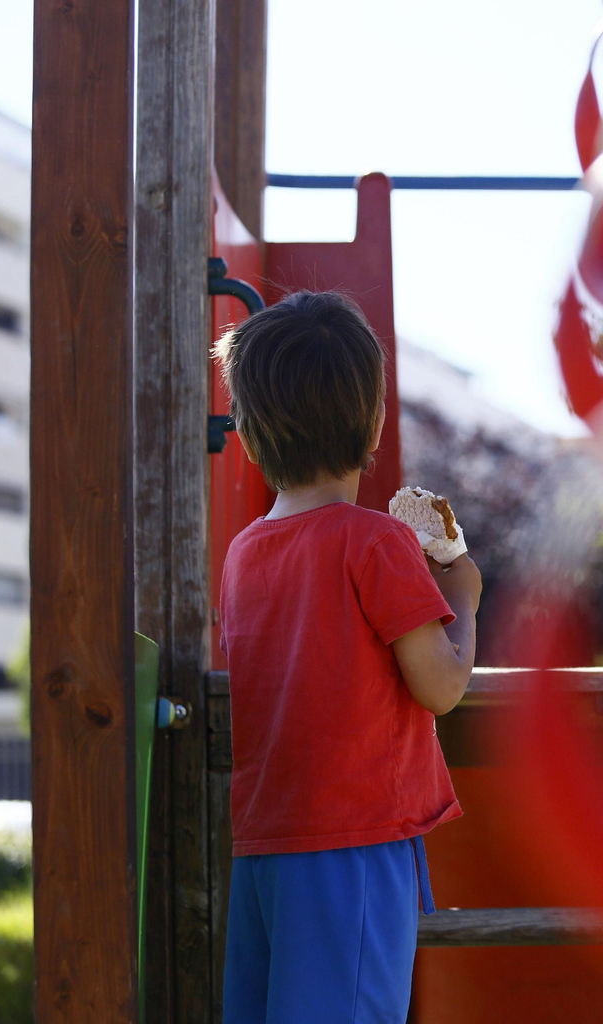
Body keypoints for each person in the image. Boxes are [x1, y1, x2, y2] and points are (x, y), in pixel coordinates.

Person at [213, 291, 482, 1023]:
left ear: (246, 430)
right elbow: (441, 686)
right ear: (372, 424)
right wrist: (467, 588)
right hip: (353, 844)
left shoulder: (243, 554)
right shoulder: (376, 542)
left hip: (262, 844)